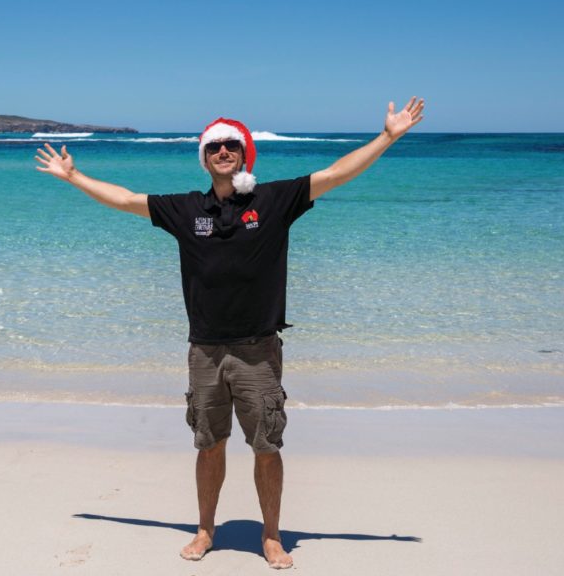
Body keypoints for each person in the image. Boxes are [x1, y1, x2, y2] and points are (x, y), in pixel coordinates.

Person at [35, 98, 425, 569]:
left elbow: (335, 174)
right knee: (208, 443)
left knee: (266, 446)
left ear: (244, 154)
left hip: (257, 350)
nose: (223, 151)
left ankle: (272, 535)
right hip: (204, 351)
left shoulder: (273, 202)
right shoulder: (186, 210)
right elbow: (125, 199)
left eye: (231, 145)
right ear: (205, 156)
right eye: (215, 146)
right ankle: (204, 530)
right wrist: (74, 177)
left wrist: (387, 137)